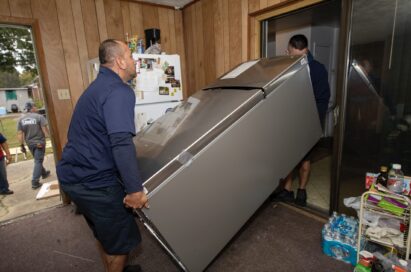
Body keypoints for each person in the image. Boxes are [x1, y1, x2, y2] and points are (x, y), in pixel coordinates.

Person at [56, 39, 148, 272]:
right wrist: (135, 190)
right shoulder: (119, 91)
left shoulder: (98, 86)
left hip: (73, 175)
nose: (134, 60)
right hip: (95, 182)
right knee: (120, 244)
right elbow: (120, 142)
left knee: (106, 234)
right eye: (130, 55)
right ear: (119, 61)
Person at [274, 34, 330, 207]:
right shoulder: (287, 68)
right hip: (290, 121)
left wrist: (313, 123)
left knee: (305, 159)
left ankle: (302, 191)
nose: (294, 57)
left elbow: (323, 98)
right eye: (292, 53)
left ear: (305, 50)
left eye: (299, 54)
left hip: (308, 122)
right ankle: (287, 191)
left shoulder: (318, 69)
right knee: (290, 157)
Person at [17, 101, 50, 189]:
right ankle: (35, 182)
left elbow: (20, 133)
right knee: (38, 161)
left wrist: (21, 145)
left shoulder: (21, 119)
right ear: (32, 108)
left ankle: (44, 173)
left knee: (37, 159)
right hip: (39, 143)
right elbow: (45, 131)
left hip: (30, 144)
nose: (36, 108)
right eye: (35, 106)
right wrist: (49, 137)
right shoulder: (39, 117)